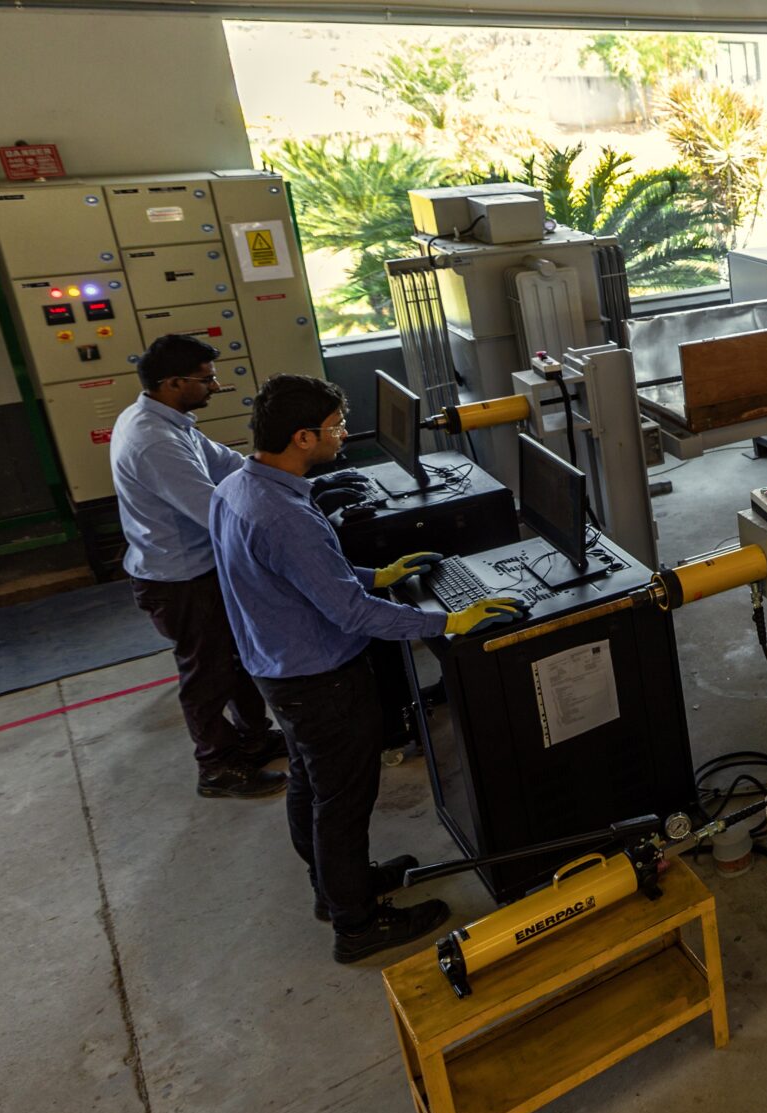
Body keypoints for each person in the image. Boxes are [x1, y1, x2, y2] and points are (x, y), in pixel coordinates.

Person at [210, 374, 529, 962]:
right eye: (335, 427)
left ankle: (335, 889)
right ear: (303, 437)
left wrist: (376, 576)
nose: (344, 434)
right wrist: (447, 623)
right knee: (342, 800)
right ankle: (356, 926)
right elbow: (349, 613)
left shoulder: (239, 486)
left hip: (277, 668)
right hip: (319, 679)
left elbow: (303, 581)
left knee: (311, 782)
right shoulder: (285, 515)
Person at [109, 335, 286, 798]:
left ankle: (252, 738)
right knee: (207, 673)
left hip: (196, 568)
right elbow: (213, 510)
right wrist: (288, 525)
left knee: (231, 658)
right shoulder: (153, 440)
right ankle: (216, 766)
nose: (216, 386)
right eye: (206, 379)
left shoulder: (170, 421)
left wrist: (288, 477)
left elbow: (227, 464)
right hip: (180, 579)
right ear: (172, 383)